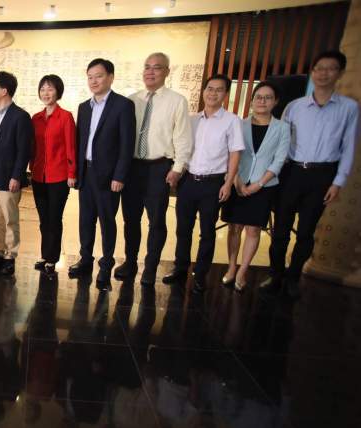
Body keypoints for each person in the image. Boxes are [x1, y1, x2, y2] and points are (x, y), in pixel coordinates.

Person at [262, 50, 359, 298]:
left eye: (330, 68)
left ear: (339, 73)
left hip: (322, 175)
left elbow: (349, 147)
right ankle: (275, 275)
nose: (323, 73)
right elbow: (281, 143)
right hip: (291, 172)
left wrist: (338, 182)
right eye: (319, 68)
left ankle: (293, 278)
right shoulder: (294, 107)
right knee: (280, 229)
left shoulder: (349, 108)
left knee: (306, 231)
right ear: (312, 72)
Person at [162, 74, 243, 293]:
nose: (213, 93)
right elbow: (182, 148)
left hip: (213, 183)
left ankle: (200, 274)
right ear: (204, 91)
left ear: (225, 94)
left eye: (219, 89)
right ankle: (180, 268)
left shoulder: (232, 121)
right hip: (188, 181)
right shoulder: (191, 119)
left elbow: (235, 153)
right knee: (183, 229)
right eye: (210, 88)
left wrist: (228, 183)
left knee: (207, 232)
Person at [120, 53, 193, 286]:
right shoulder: (131, 100)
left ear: (167, 72)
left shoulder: (177, 101)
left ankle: (150, 267)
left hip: (159, 167)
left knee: (156, 221)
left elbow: (183, 138)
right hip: (132, 167)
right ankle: (130, 262)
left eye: (157, 67)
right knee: (131, 219)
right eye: (147, 67)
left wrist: (178, 168)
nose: (150, 72)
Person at [70, 58, 136, 290]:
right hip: (86, 173)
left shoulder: (123, 105)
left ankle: (106, 265)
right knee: (85, 220)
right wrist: (76, 172)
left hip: (109, 177)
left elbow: (127, 145)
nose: (94, 81)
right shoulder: (84, 107)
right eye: (90, 77)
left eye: (98, 76)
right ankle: (85, 259)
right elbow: (80, 142)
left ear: (110, 77)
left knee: (107, 221)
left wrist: (120, 176)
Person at [221, 82, 289, 291]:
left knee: (253, 229)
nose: (262, 101)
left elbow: (279, 160)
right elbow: (230, 154)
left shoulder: (282, 128)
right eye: (258, 97)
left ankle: (243, 270)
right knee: (234, 227)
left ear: (275, 102)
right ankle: (231, 267)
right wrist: (236, 180)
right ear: (251, 101)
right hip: (237, 181)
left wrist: (259, 184)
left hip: (264, 185)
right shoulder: (239, 124)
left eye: (268, 97)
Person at [0, 71, 34, 276]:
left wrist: (17, 176)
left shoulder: (20, 116)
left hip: (8, 175)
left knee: (10, 218)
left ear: (4, 90)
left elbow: (24, 150)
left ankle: (10, 257)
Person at [30, 74, 76, 276]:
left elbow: (71, 147)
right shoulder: (36, 118)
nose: (46, 93)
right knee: (43, 219)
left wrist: (72, 173)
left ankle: (52, 258)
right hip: (38, 175)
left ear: (58, 92)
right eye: (43, 89)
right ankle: (44, 254)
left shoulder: (65, 117)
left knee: (54, 218)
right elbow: (32, 147)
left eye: (50, 89)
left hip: (59, 177)